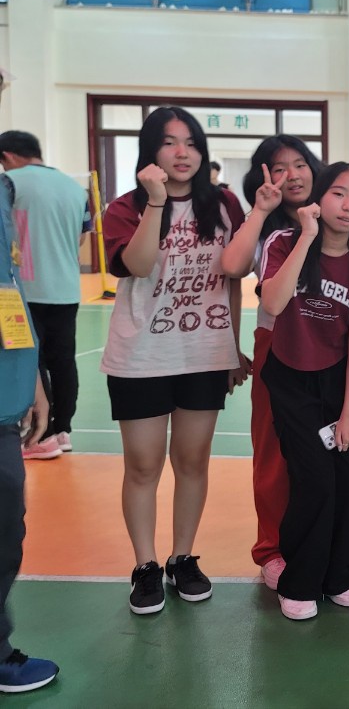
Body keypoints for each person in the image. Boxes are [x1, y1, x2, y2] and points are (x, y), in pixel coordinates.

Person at [100, 106, 248, 615]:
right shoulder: (125, 207)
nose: (182, 152)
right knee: (143, 466)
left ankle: (182, 557)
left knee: (192, 461)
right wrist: (158, 202)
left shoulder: (224, 205)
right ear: (151, 151)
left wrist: (232, 347)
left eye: (191, 142)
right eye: (169, 142)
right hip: (140, 355)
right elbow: (139, 265)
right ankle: (145, 565)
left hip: (204, 354)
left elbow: (234, 278)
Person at [258, 162, 349, 620]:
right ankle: (299, 582)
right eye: (339, 193)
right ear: (318, 198)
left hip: (340, 379)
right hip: (291, 379)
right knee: (313, 480)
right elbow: (273, 302)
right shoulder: (284, 242)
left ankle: (338, 578)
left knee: (347, 479)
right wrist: (307, 236)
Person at [220, 135, 323, 590]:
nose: (292, 175)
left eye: (299, 164)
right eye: (279, 168)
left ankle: (318, 544)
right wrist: (260, 211)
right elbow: (232, 266)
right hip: (276, 343)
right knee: (273, 451)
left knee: (326, 453)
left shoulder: (333, 217)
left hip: (330, 344)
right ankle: (272, 549)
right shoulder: (264, 229)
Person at [0, 172, 59, 693]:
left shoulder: (4, 191)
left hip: (7, 397)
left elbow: (8, 286)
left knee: (6, 532)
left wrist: (32, 375)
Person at [0, 131, 91, 459]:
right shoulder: (74, 187)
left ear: (8, 156)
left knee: (32, 362)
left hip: (23, 290)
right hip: (66, 288)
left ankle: (40, 436)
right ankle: (62, 431)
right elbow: (82, 237)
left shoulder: (9, 182)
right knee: (63, 361)